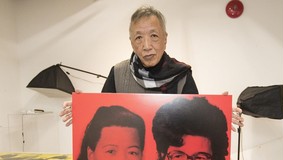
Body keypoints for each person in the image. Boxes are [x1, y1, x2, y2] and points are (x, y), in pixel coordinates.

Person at [59, 5, 244, 130]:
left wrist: (218, 113)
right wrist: (84, 109)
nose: (146, 45)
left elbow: (194, 119)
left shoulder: (182, 75)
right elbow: (104, 119)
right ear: (131, 42)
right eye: (139, 37)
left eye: (154, 36)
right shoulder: (118, 73)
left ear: (165, 38)